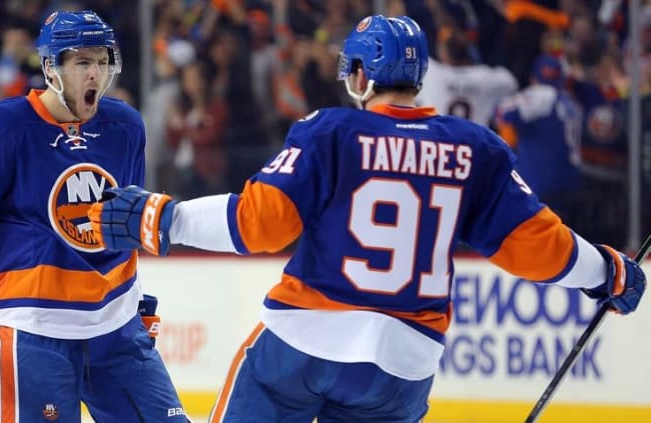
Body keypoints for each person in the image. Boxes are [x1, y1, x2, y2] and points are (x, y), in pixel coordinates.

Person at [89, 15, 646, 423]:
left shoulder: (332, 131)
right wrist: (609, 272)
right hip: (401, 369)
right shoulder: (475, 148)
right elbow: (538, 246)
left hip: (302, 346)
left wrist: (164, 219)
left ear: (360, 74)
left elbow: (260, 224)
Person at [0, 10, 189, 423]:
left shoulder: (124, 126)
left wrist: (133, 294)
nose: (96, 74)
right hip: (32, 332)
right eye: (82, 62)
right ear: (50, 67)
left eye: (103, 61)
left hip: (117, 331)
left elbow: (121, 222)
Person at [495, 54, 583, 227]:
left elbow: (506, 113)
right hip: (571, 178)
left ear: (534, 77)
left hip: (540, 177)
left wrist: (508, 145)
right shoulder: (569, 101)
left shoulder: (541, 94)